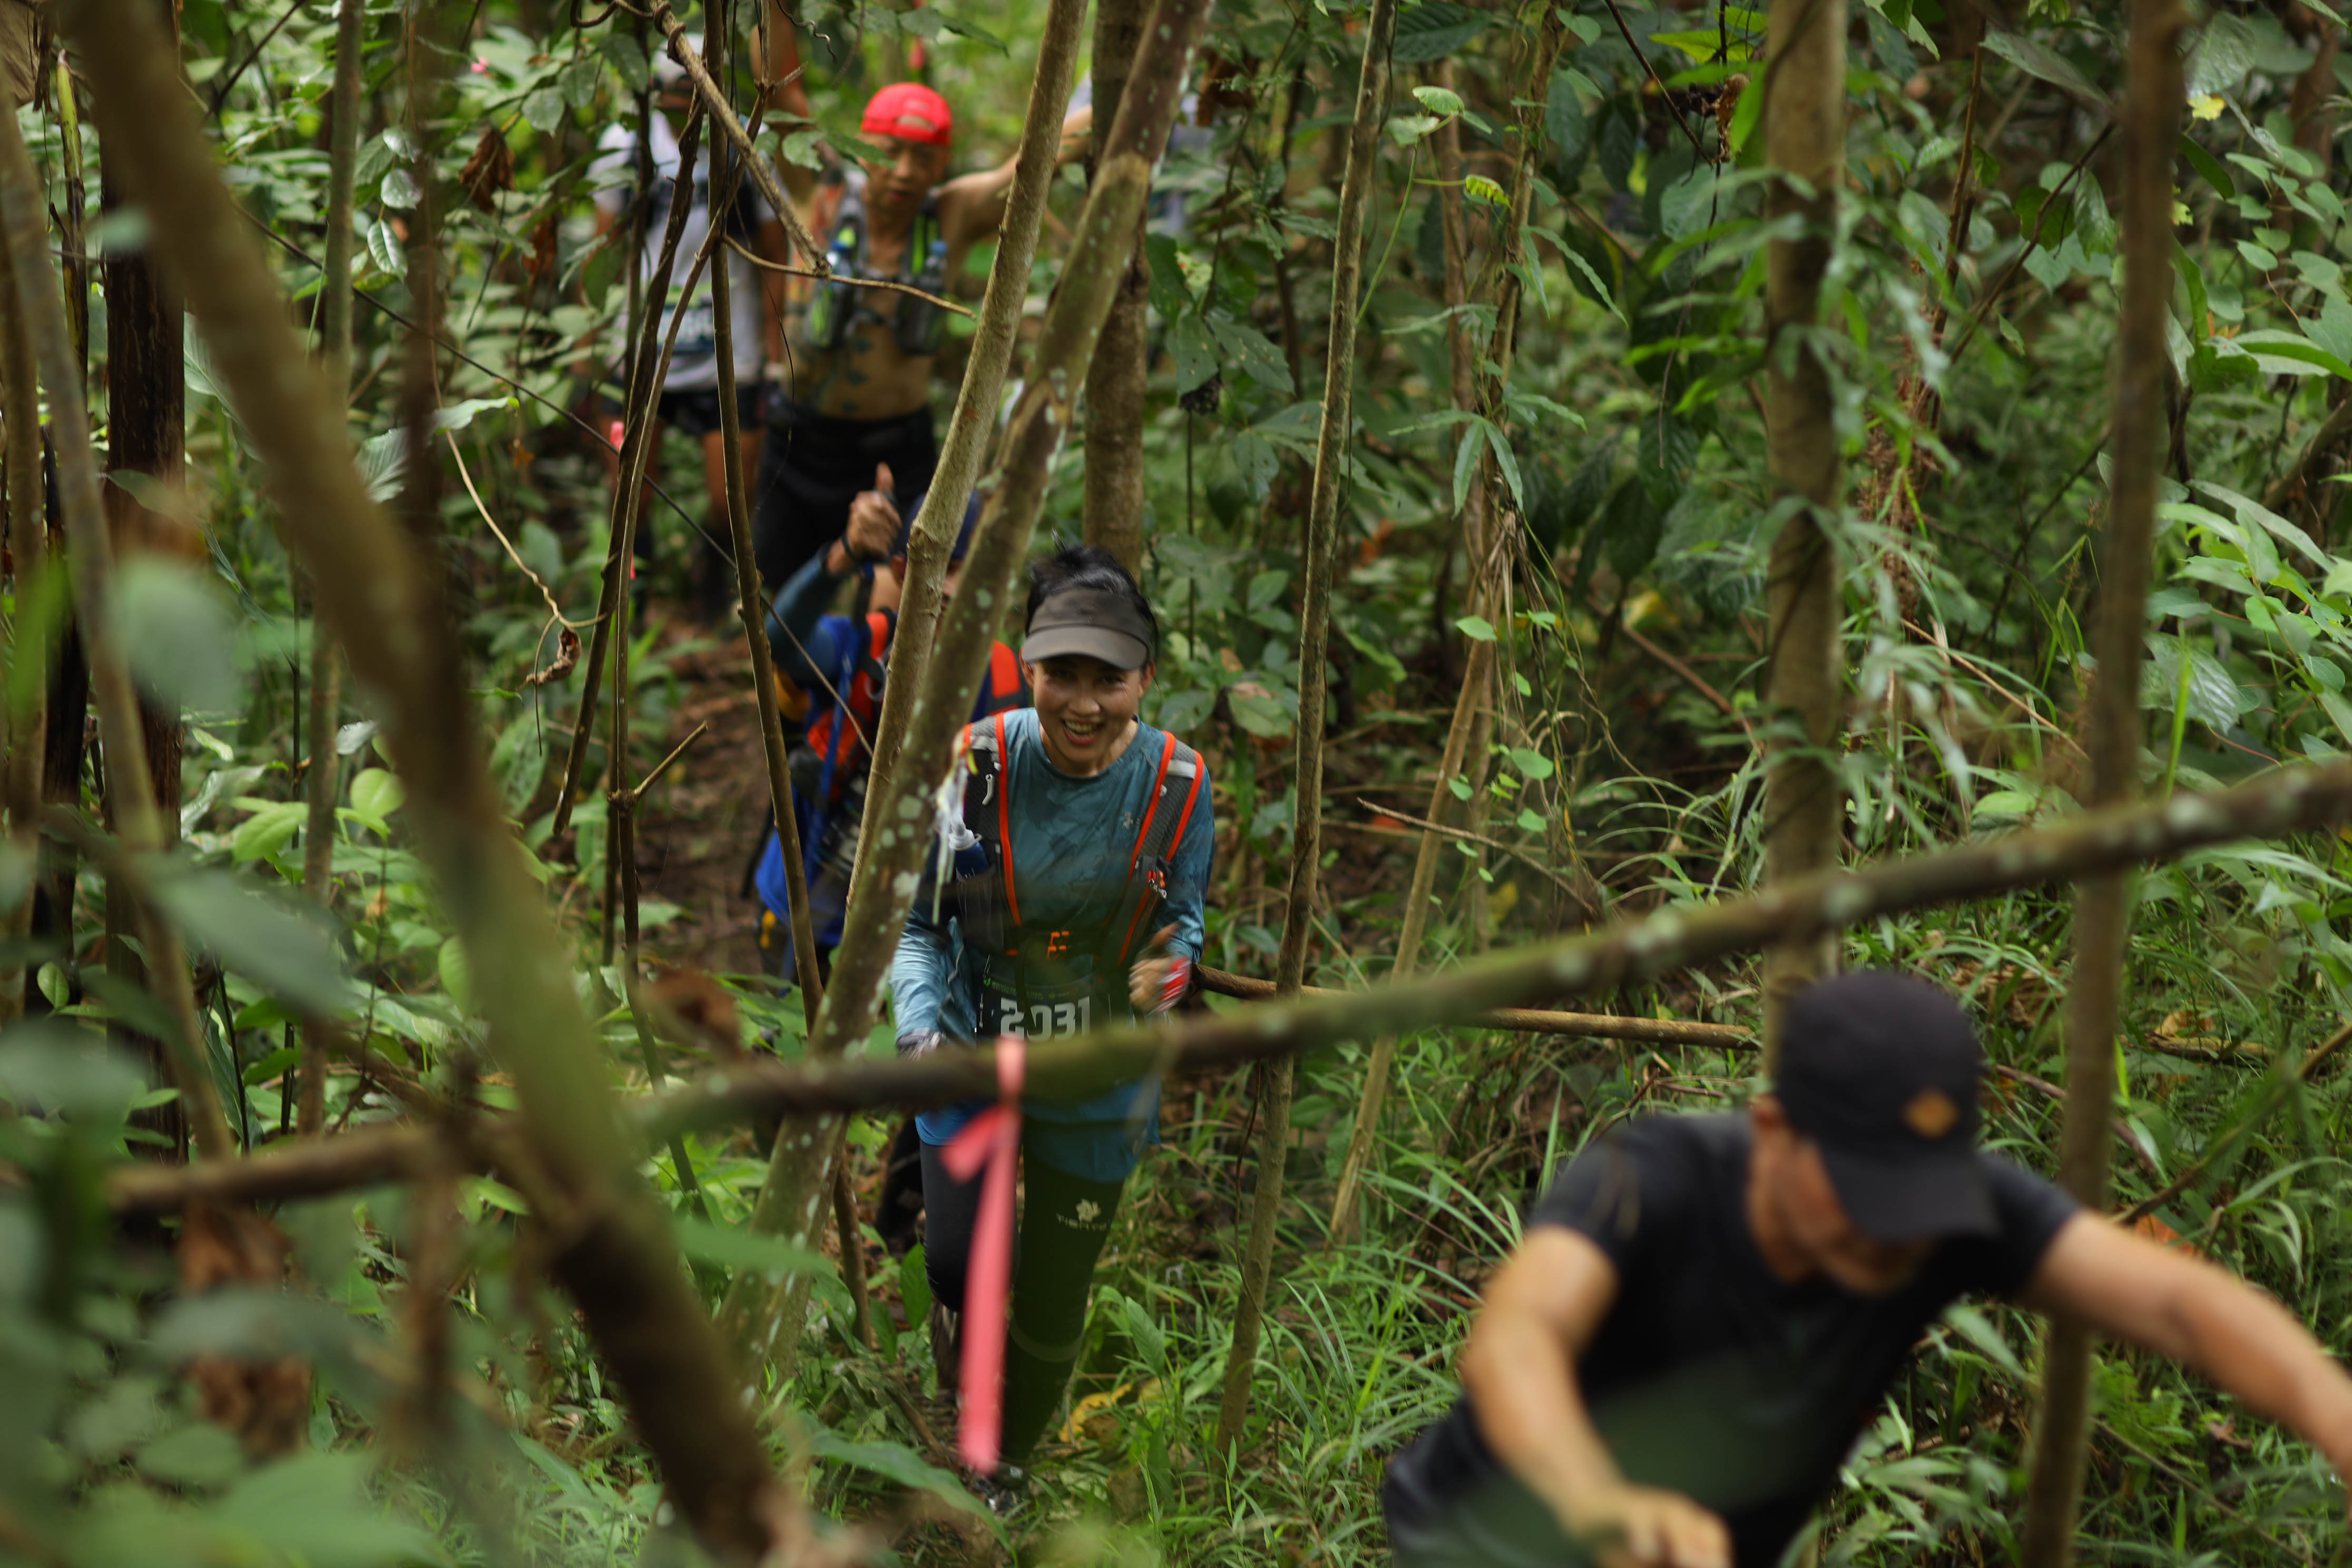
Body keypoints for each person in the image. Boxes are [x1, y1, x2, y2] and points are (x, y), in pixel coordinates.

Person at [1381, 971, 2352, 1568]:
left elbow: (2180, 1305)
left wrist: (2327, 1408)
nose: (1888, 1240)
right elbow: (1515, 1338)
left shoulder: (1948, 1216)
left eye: (1912, 1202)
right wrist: (1598, 1505)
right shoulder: (1654, 1176)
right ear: (1772, 1132)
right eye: (1859, 1193)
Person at [890, 544, 1214, 1507]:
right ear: (1025, 667)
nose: (1082, 703)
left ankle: (1003, 1465)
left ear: (1144, 680)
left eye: (1106, 680)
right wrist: (919, 1041)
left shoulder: (1178, 786)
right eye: (1059, 675)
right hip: (972, 1045)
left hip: (1096, 1065)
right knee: (957, 1260)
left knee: (1053, 1290)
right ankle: (961, 1380)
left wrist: (1170, 971)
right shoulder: (977, 765)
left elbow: (1181, 917)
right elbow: (920, 927)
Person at [749, 7, 1089, 592]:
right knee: (778, 599)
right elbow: (778, 94)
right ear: (863, 147)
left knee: (918, 595)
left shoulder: (951, 217)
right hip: (798, 445)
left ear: (943, 162)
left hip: (898, 451)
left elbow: (1039, 159)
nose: (906, 172)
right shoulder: (819, 190)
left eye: (925, 157)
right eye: (893, 151)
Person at [752, 466, 1024, 988]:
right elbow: (781, 641)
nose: (949, 588)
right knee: (792, 1038)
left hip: (926, 922)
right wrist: (841, 557)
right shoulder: (866, 644)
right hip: (812, 898)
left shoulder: (1010, 680)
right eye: (937, 566)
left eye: (966, 570)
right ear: (901, 572)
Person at [590, 57, 791, 619]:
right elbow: (604, 251)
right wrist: (598, 342)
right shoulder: (625, 145)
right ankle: (634, 602)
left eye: (692, 90)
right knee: (630, 497)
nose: (680, 102)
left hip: (728, 351)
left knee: (733, 497)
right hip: (641, 350)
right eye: (671, 90)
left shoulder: (745, 147)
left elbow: (776, 256)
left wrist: (776, 352)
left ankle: (711, 599)